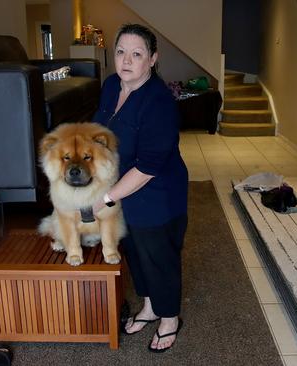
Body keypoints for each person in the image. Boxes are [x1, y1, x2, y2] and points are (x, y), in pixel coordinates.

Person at [91, 23, 188, 353]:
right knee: (135, 252)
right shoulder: (110, 86)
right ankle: (149, 307)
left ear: (152, 59)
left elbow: (148, 166)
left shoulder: (159, 102)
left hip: (157, 195)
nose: (126, 60)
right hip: (122, 190)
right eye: (121, 52)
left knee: (159, 257)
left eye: (137, 54)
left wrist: (105, 197)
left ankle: (170, 318)